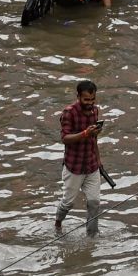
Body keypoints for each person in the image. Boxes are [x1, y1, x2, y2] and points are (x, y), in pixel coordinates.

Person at [55, 80, 103, 234]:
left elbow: (93, 138)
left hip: (91, 164)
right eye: (86, 100)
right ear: (78, 96)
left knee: (94, 202)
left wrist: (99, 160)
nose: (90, 103)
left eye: (92, 99)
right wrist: (84, 133)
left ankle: (92, 236)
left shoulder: (95, 111)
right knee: (68, 203)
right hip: (74, 166)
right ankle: (57, 223)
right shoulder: (69, 112)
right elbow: (65, 138)